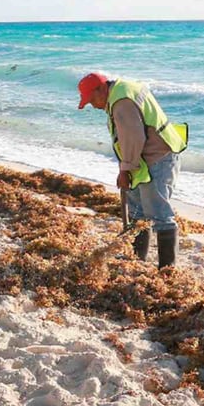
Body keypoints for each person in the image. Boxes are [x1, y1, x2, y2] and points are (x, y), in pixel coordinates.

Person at [77, 72, 189, 268]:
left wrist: (125, 170)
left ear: (101, 88)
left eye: (92, 99)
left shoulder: (122, 102)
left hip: (158, 157)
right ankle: (137, 260)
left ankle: (167, 270)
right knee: (137, 211)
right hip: (143, 158)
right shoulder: (122, 90)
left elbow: (133, 138)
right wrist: (128, 167)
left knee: (160, 214)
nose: (93, 105)